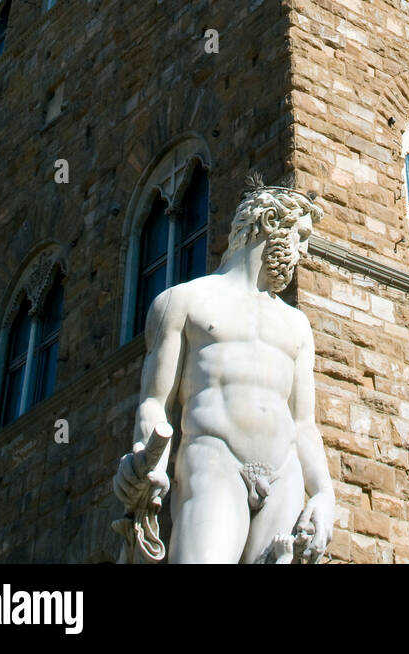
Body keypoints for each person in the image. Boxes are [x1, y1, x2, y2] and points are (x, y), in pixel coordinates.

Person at [113, 180, 335, 564]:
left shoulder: (297, 325)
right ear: (269, 221)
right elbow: (155, 403)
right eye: (299, 238)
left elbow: (304, 425)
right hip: (214, 460)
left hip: (285, 471)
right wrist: (148, 461)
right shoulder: (184, 302)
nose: (303, 253)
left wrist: (323, 492)